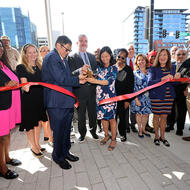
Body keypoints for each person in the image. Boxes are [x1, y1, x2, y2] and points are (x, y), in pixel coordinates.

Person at [42, 35, 86, 169]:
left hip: (66, 101)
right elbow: (61, 78)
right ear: (58, 46)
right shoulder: (51, 58)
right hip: (56, 103)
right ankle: (58, 157)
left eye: (69, 50)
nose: (68, 53)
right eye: (66, 49)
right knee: (59, 131)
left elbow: (68, 76)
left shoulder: (63, 59)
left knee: (66, 130)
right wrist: (78, 80)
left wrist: (79, 73)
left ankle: (65, 152)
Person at [16, 44, 48, 158]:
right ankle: (33, 146)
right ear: (25, 54)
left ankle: (37, 144)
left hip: (40, 98)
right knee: (30, 124)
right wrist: (25, 86)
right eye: (29, 52)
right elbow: (24, 84)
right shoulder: (21, 67)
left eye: (34, 52)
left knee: (38, 122)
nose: (33, 54)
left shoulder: (40, 65)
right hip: (28, 99)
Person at [86, 46, 118, 151]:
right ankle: (106, 135)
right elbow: (94, 76)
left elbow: (108, 81)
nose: (104, 58)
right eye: (102, 56)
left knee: (112, 119)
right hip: (100, 97)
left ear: (110, 56)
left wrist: (95, 81)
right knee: (103, 118)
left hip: (110, 97)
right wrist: (89, 74)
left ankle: (113, 139)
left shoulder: (114, 68)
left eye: (106, 56)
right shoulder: (99, 68)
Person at [69, 34, 99, 142]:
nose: (83, 43)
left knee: (92, 113)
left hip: (92, 90)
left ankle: (93, 131)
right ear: (77, 43)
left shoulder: (91, 56)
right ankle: (82, 133)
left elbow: (96, 70)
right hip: (80, 90)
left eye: (85, 41)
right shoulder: (72, 57)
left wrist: (95, 74)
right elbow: (71, 73)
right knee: (81, 114)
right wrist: (80, 70)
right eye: (81, 41)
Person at [148, 48, 181, 147]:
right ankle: (156, 137)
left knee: (164, 117)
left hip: (168, 97)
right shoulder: (153, 68)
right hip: (157, 97)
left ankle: (163, 137)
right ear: (158, 57)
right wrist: (162, 79)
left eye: (165, 55)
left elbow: (176, 84)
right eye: (161, 55)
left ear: (168, 57)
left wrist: (177, 77)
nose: (163, 57)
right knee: (156, 116)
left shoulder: (173, 67)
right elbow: (150, 82)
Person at [0, 39, 21, 179]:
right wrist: (6, 83)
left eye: (0, 47)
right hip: (0, 106)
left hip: (7, 104)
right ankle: (2, 168)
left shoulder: (3, 63)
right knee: (1, 137)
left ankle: (6, 158)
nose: (0, 49)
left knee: (6, 134)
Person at [166, 49, 188, 135]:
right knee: (170, 109)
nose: (181, 56)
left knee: (182, 110)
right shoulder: (171, 65)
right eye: (178, 54)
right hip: (171, 90)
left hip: (182, 91)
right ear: (175, 56)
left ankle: (180, 128)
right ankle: (170, 125)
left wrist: (187, 88)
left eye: (183, 54)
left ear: (186, 56)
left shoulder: (188, 65)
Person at [115, 48, 134, 142]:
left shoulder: (129, 70)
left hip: (123, 99)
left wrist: (128, 100)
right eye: (119, 56)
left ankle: (122, 134)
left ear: (125, 59)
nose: (120, 59)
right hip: (112, 98)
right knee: (112, 117)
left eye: (123, 58)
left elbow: (131, 86)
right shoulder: (112, 68)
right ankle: (113, 134)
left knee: (122, 118)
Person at [131, 54, 152, 138]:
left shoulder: (150, 73)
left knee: (146, 114)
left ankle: (144, 129)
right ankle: (139, 130)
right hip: (138, 98)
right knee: (139, 114)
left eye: (143, 60)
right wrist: (135, 99)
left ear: (146, 61)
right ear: (137, 62)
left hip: (148, 98)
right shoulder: (134, 73)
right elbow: (132, 87)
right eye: (139, 60)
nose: (141, 61)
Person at [39, 45, 53, 145]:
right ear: (40, 53)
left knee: (49, 117)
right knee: (46, 117)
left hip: (52, 93)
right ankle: (50, 138)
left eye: (48, 50)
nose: (46, 52)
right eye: (43, 50)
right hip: (41, 93)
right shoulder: (39, 64)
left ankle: (48, 136)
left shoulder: (52, 63)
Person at [126, 45, 138, 133]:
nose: (130, 50)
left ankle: (133, 124)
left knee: (133, 106)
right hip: (126, 87)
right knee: (126, 106)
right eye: (129, 49)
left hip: (136, 86)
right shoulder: (124, 60)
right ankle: (126, 125)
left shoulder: (137, 60)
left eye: (132, 49)